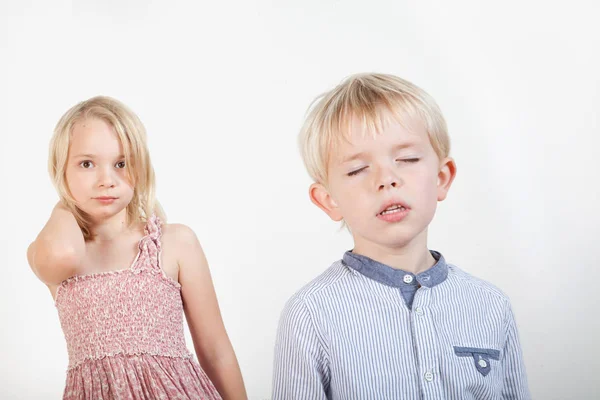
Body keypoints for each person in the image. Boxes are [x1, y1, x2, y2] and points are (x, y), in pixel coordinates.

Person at [272, 73, 530, 399]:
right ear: (328, 200)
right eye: (357, 169)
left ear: (441, 177)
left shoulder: (491, 306)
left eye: (406, 159)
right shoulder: (310, 315)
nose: (387, 179)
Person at [27, 96, 247, 399]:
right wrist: (64, 205)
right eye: (86, 164)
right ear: (60, 169)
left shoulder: (174, 243)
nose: (107, 180)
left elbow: (215, 350)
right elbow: (63, 255)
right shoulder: (55, 251)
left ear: (140, 167)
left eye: (121, 163)